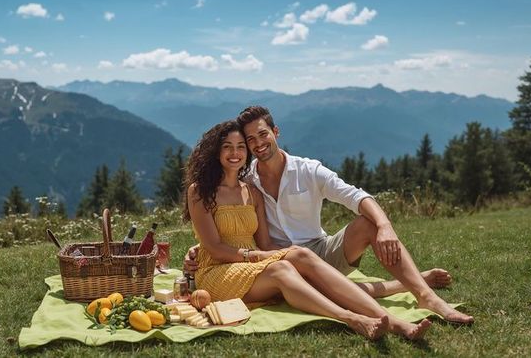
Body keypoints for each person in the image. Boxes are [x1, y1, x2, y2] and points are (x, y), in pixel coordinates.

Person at [185, 105, 473, 325]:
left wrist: (385, 225)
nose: (257, 144)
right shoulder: (246, 178)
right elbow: (225, 220)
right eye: (250, 140)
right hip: (279, 259)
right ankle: (410, 282)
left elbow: (356, 196)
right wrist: (202, 247)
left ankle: (427, 297)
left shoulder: (308, 170)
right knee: (337, 291)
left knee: (368, 224)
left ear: (276, 132)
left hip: (320, 251)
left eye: (263, 134)